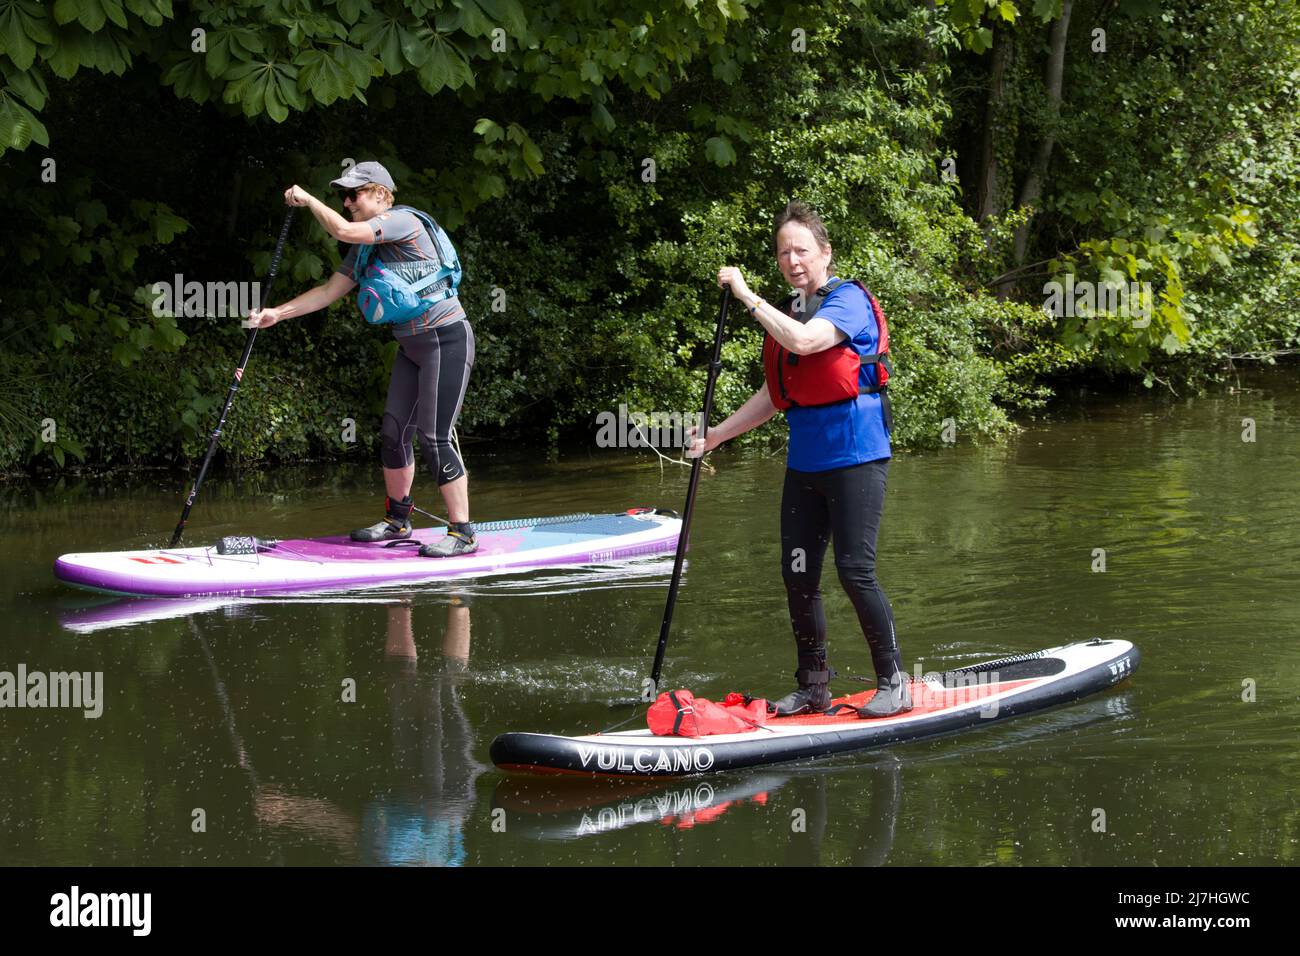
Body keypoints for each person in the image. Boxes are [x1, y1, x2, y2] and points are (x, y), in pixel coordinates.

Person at [686, 200, 911, 718]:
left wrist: (746, 296)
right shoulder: (789, 310)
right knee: (799, 574)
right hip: (806, 463)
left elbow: (809, 344)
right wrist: (718, 435)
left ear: (825, 253)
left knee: (855, 571)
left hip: (857, 456)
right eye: (784, 252)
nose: (793, 260)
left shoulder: (848, 301)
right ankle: (813, 686)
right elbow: (775, 393)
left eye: (802, 250)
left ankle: (894, 681)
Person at [247, 161, 477, 557]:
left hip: (446, 339)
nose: (347, 201)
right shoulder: (364, 251)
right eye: (344, 196)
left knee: (434, 436)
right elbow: (327, 291)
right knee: (392, 433)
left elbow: (341, 228)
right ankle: (398, 520)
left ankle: (462, 532)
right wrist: (276, 314)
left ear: (381, 195)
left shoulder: (403, 221)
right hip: (411, 346)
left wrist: (308, 199)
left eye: (354, 194)